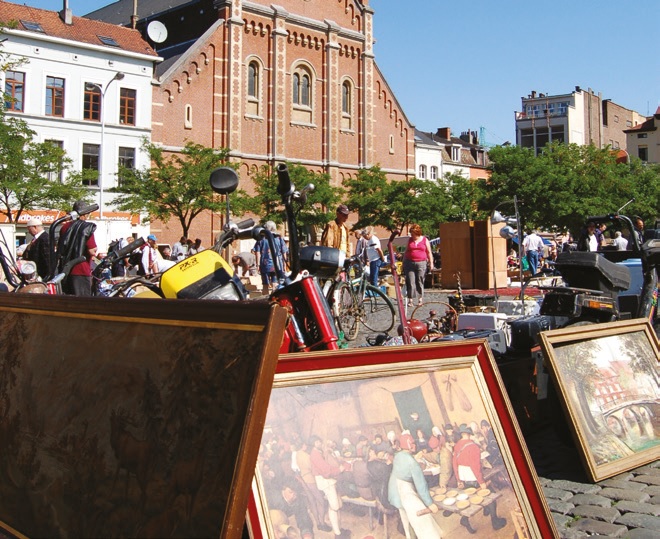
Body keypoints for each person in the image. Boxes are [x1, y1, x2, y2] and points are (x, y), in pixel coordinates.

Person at [387, 433, 441, 539]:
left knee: (408, 521)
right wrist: (430, 504)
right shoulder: (412, 463)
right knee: (424, 522)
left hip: (395, 491)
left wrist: (415, 458)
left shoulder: (398, 455)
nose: (415, 445)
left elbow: (404, 465)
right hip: (405, 492)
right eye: (412, 443)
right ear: (408, 445)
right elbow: (421, 485)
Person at [309, 435, 348, 539]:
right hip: (325, 481)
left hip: (328, 480)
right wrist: (339, 470)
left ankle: (339, 529)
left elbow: (328, 466)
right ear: (315, 443)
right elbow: (326, 471)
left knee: (337, 505)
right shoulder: (315, 454)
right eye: (320, 442)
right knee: (334, 506)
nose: (322, 444)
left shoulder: (319, 452)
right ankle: (337, 534)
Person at [58, 200, 97, 296]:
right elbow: (92, 251)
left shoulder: (64, 227)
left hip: (66, 269)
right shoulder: (86, 227)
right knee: (82, 302)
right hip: (81, 269)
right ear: (85, 213)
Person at [402, 224, 434, 307]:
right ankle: (410, 300)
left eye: (413, 234)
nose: (412, 236)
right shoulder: (409, 240)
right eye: (411, 234)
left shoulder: (424, 240)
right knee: (410, 281)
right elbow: (406, 251)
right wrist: (403, 262)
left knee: (420, 281)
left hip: (421, 263)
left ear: (417, 233)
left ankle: (420, 299)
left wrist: (431, 263)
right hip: (409, 263)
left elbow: (429, 252)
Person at [253, 221, 288, 294]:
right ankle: (274, 300)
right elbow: (284, 252)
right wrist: (285, 264)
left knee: (265, 285)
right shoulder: (279, 238)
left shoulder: (261, 239)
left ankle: (265, 302)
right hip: (277, 264)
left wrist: (258, 264)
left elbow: (257, 252)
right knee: (275, 284)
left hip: (265, 265)